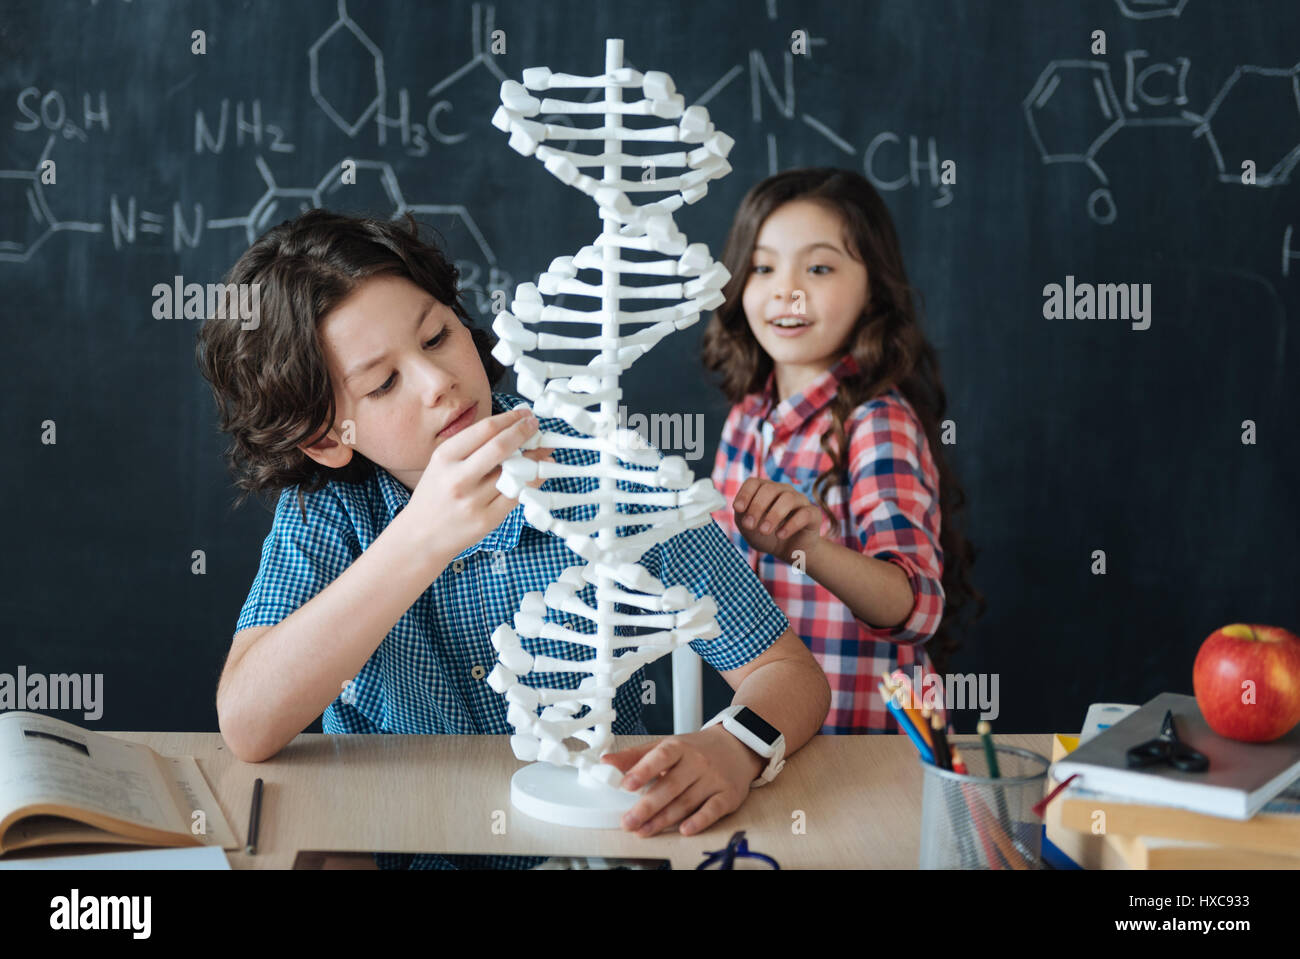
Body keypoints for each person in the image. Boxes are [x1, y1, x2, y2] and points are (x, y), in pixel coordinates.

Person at [196, 209, 830, 868]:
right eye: (383, 383)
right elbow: (248, 722)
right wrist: (419, 538)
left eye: (438, 335)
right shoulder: (326, 509)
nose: (438, 381)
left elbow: (788, 673)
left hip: (595, 849)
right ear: (327, 439)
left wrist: (737, 744)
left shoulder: (609, 474)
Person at [701, 168, 984, 736]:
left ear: (873, 288)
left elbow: (915, 604)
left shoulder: (876, 423)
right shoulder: (745, 420)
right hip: (777, 737)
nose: (788, 289)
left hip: (870, 750)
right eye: (763, 266)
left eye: (820, 267)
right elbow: (712, 571)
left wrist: (807, 546)